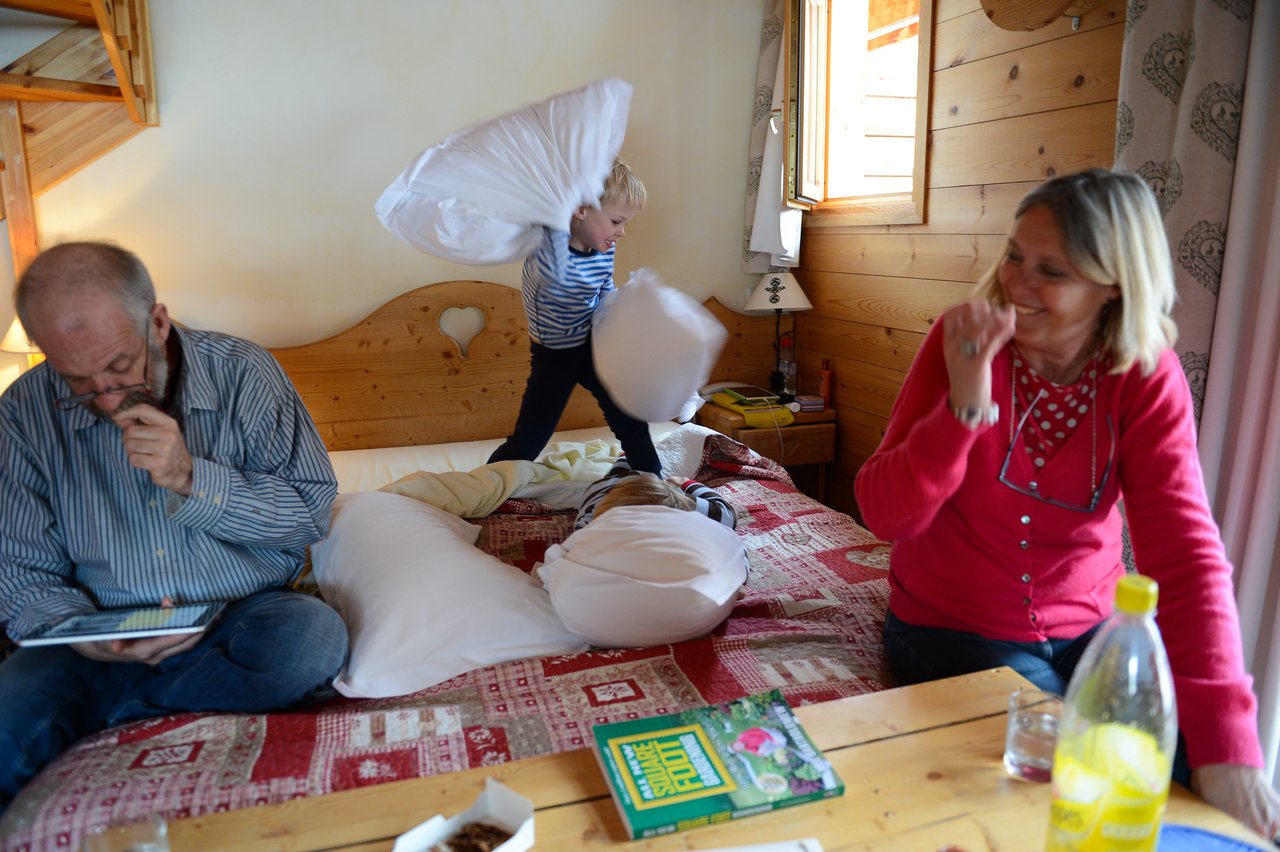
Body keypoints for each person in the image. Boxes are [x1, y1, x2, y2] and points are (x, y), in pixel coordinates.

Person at [853, 168, 1280, 839]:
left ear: (1111, 284)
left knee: (1197, 768)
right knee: (1064, 778)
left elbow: (1187, 556)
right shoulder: (962, 341)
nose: (1018, 283)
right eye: (1016, 256)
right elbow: (887, 514)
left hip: (1092, 635)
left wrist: (1234, 751)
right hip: (952, 628)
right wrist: (964, 407)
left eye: (1051, 271)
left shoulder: (1143, 374)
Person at [0, 242, 348, 812]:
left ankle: (109, 719)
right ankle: (159, 705)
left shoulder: (244, 374)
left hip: (238, 616)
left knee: (312, 638)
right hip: (92, 636)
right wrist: (82, 634)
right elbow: (19, 573)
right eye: (78, 381)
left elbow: (308, 512)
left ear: (156, 322)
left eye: (118, 366)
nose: (107, 399)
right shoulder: (21, 414)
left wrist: (191, 478)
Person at [487, 158, 661, 474]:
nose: (621, 233)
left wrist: (621, 305)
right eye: (616, 221)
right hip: (554, 356)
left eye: (624, 224)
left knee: (629, 418)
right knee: (529, 439)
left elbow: (603, 286)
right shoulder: (545, 250)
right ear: (581, 209)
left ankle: (653, 481)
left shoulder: (603, 245)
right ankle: (486, 484)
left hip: (592, 345)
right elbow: (562, 282)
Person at [573, 457, 738, 531]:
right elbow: (728, 514)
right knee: (634, 463)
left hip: (604, 488)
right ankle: (628, 459)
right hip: (606, 489)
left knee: (627, 465)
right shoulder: (678, 507)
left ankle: (626, 458)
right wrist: (687, 483)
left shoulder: (591, 527)